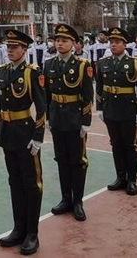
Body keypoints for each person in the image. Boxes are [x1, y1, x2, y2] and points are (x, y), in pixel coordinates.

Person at [0, 29, 45, 255]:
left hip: (26, 135)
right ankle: (18, 228)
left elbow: (41, 107)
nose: (10, 51)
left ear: (25, 50)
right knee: (14, 181)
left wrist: (38, 137)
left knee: (31, 184)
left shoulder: (32, 72)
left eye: (15, 47)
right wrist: (0, 131)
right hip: (9, 134)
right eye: (9, 47)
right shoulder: (2, 71)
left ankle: (32, 233)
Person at [45, 23, 92, 221]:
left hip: (74, 118)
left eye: (64, 40)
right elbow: (47, 94)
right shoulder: (49, 64)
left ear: (73, 43)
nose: (60, 43)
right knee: (62, 160)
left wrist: (85, 121)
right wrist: (48, 117)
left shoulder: (82, 65)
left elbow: (88, 94)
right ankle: (66, 198)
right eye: (58, 40)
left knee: (78, 161)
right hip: (57, 118)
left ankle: (78, 201)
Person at [96, 27, 137, 196]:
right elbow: (100, 87)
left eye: (117, 42)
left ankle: (132, 180)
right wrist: (99, 108)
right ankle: (121, 177)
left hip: (128, 109)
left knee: (130, 145)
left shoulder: (135, 63)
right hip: (110, 108)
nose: (113, 45)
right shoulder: (103, 62)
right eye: (111, 42)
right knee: (116, 144)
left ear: (125, 44)